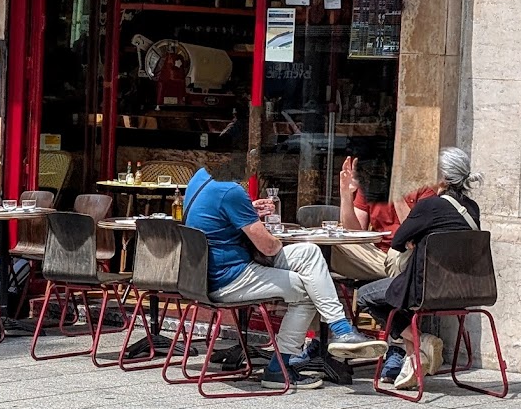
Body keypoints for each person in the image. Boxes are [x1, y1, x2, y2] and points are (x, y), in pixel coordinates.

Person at [184, 165, 386, 390]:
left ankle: (342, 330)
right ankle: (278, 369)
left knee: (309, 252)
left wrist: (248, 211)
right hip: (229, 279)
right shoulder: (231, 191)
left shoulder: (199, 180)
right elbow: (269, 247)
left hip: (205, 277)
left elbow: (217, 216)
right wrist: (271, 236)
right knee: (306, 289)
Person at [356, 147, 483, 388]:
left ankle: (420, 340)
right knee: (398, 288)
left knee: (365, 296)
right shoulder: (472, 208)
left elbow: (398, 241)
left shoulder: (430, 206)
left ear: (443, 178)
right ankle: (412, 358)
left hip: (425, 290)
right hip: (466, 290)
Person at [333, 155, 435, 281]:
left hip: (407, 254)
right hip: (378, 254)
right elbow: (354, 232)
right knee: (323, 248)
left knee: (396, 256)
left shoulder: (424, 188)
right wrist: (346, 193)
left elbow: (413, 233)